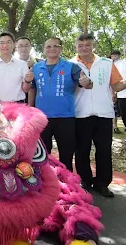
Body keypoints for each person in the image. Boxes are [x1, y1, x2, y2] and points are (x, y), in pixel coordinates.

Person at [71, 33, 126, 197]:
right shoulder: (70, 65)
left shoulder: (107, 63)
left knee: (103, 150)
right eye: (81, 46)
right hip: (80, 113)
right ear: (76, 47)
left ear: (93, 46)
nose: (84, 48)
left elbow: (116, 86)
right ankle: (84, 180)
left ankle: (102, 183)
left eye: (88, 45)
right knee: (82, 150)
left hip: (104, 113)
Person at [28, 37, 87, 171]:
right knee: (43, 154)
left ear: (60, 49)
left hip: (65, 117)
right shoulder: (36, 68)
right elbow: (32, 89)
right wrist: (30, 109)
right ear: (44, 50)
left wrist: (86, 82)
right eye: (48, 46)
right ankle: (46, 182)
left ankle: (68, 185)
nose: (52, 49)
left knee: (66, 153)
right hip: (42, 118)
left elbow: (85, 83)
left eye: (56, 46)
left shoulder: (71, 67)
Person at [0, 32, 33, 103]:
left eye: (8, 42)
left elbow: (26, 89)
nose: (5, 45)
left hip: (19, 105)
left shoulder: (22, 64)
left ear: (14, 45)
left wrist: (28, 81)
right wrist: (0, 103)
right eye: (2, 43)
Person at [110, 50, 123, 134]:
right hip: (112, 91)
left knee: (122, 111)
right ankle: (115, 126)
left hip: (122, 91)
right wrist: (113, 93)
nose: (114, 57)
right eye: (112, 56)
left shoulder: (122, 64)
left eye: (116, 56)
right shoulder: (109, 64)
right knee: (113, 109)